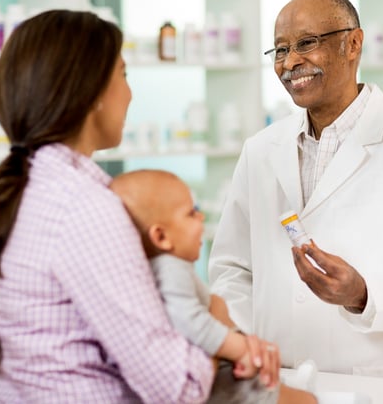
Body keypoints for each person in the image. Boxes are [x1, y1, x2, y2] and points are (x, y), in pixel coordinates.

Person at [0, 9, 279, 403]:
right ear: (91, 96)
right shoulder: (85, 209)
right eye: (123, 75)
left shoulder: (32, 187)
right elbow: (179, 388)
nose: (130, 93)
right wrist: (215, 323)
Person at [208, 0, 383, 382]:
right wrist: (243, 342)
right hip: (280, 383)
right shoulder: (261, 150)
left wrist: (363, 294)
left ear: (353, 43)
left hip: (381, 384)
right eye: (280, 50)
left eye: (306, 43)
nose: (291, 62)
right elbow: (232, 268)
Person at [109, 169, 317, 404]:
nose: (201, 218)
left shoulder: (161, 268)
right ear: (161, 237)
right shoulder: (171, 270)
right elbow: (191, 322)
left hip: (213, 365)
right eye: (191, 213)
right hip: (215, 376)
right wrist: (242, 348)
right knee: (305, 400)